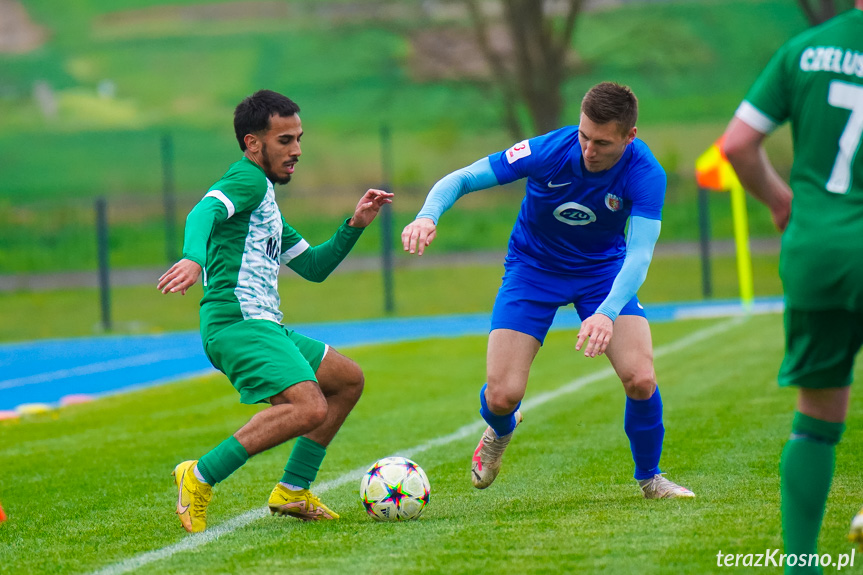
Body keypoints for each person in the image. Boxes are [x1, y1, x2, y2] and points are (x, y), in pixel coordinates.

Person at [402, 81, 694, 499]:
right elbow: (464, 178)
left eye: (603, 143)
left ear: (631, 136)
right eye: (584, 136)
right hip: (532, 269)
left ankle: (651, 479)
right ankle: (500, 431)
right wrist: (428, 216)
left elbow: (640, 255)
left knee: (641, 378)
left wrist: (607, 312)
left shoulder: (646, 173)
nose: (589, 151)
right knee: (502, 396)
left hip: (602, 273)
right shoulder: (547, 150)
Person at [157, 89, 393, 532]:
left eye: (299, 138)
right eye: (285, 140)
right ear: (253, 144)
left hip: (264, 326)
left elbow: (315, 267)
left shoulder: (265, 205)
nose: (297, 150)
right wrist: (193, 257)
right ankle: (200, 475)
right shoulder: (246, 180)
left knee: (346, 381)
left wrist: (354, 224)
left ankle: (292, 490)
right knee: (308, 407)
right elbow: (202, 211)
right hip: (237, 323)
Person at [721, 2, 863, 569]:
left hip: (819, 250)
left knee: (817, 419)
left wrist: (782, 202)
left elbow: (736, 145)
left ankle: (799, 565)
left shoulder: (806, 50)